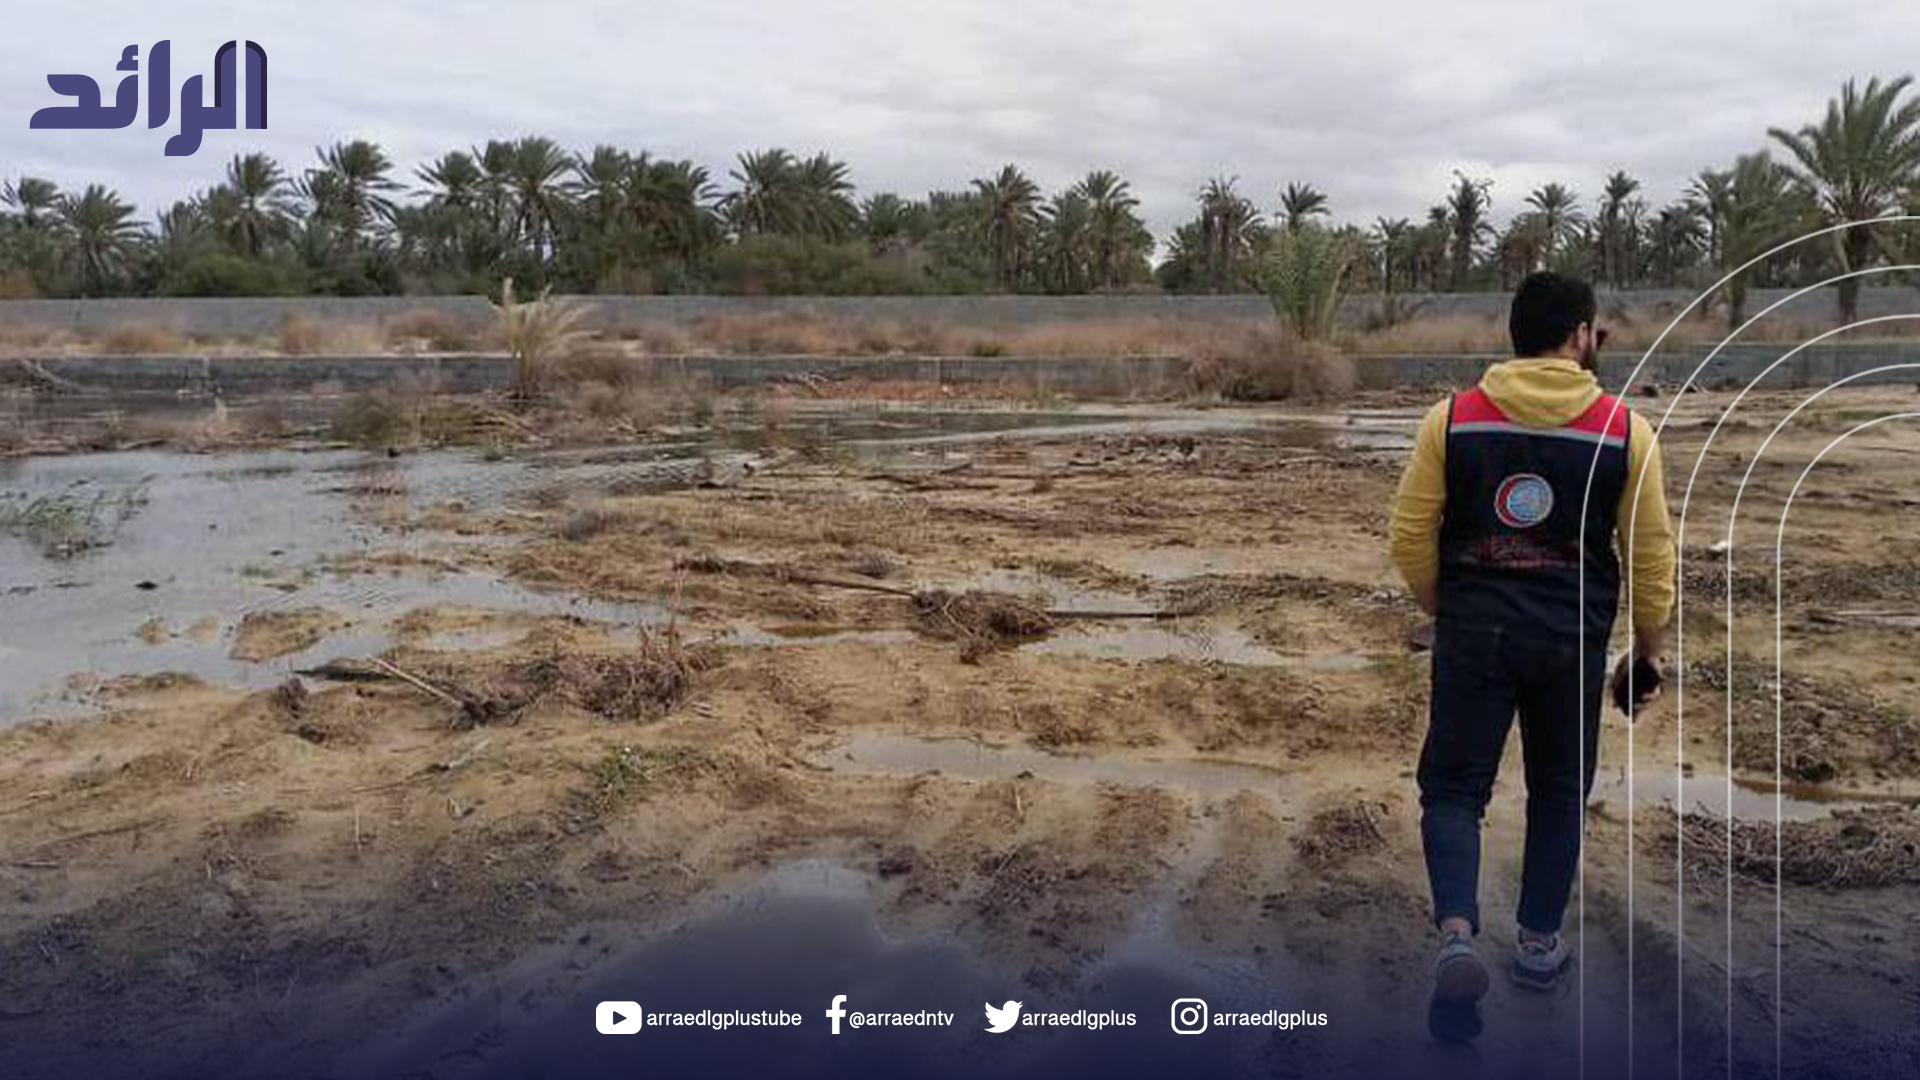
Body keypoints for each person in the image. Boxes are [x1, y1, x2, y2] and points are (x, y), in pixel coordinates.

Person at [1388, 272, 1675, 1033]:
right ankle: (1539, 947)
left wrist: (1447, 608)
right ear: (1581, 336)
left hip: (1474, 636)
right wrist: (1647, 649)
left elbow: (1409, 535)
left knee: (1454, 789)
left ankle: (1457, 938)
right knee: (1558, 790)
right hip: (1570, 639)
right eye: (1594, 331)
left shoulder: (1452, 421)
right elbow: (1651, 557)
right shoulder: (1626, 432)